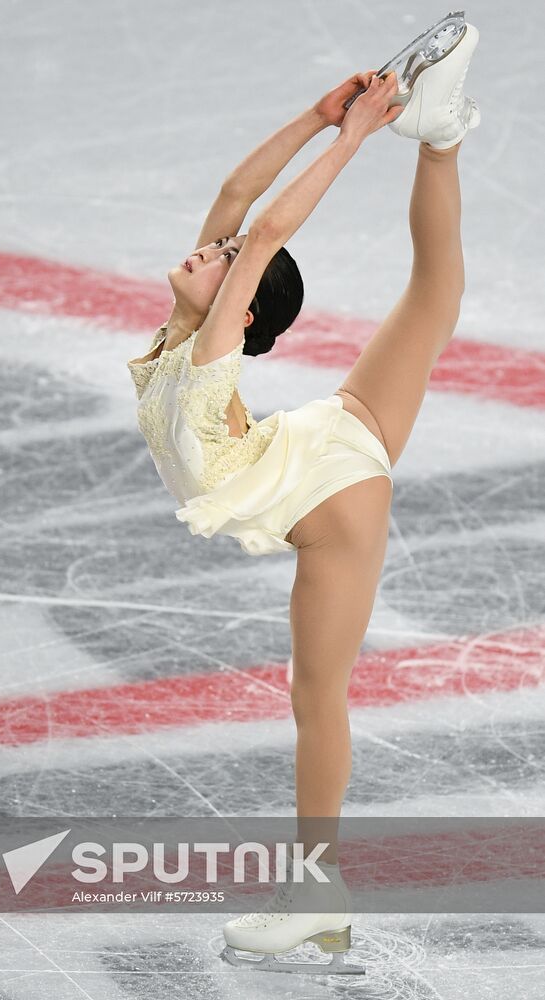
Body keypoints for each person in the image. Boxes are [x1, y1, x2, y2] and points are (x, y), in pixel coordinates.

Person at [127, 16, 480, 975]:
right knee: (432, 299)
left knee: (315, 694)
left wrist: (359, 136)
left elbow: (268, 227)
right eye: (215, 252)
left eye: (222, 261)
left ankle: (318, 899)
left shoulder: (208, 350)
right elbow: (242, 200)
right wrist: (317, 118)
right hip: (311, 444)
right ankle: (442, 136)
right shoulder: (184, 329)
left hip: (331, 508)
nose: (209, 250)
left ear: (239, 308)